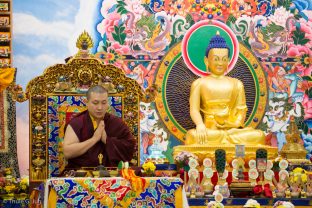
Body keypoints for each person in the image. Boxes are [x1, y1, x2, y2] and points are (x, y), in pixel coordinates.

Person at [185, 31, 265, 146]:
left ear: (228, 61)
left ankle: (226, 141)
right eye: (216, 59)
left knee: (258, 135)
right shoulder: (199, 83)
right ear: (206, 61)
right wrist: (200, 125)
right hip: (209, 131)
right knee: (192, 136)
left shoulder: (237, 84)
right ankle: (226, 142)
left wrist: (232, 124)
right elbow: (194, 110)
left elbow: (241, 113)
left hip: (232, 131)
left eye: (224, 59)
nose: (220, 63)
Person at [63, 85, 135, 169]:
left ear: (108, 103)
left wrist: (106, 140)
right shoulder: (77, 123)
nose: (100, 107)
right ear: (86, 102)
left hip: (112, 174)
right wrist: (94, 139)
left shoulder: (117, 123)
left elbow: (130, 149)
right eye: (95, 103)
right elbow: (67, 152)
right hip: (81, 174)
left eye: (104, 103)